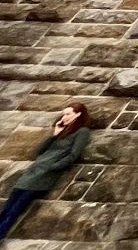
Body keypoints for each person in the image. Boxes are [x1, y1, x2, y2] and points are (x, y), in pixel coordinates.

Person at [0, 103, 92, 240]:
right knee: (7, 208)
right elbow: (40, 151)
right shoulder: (62, 131)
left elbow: (74, 155)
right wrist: (55, 134)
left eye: (68, 114)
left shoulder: (82, 132)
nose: (64, 117)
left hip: (44, 175)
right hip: (32, 172)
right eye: (63, 114)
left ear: (78, 114)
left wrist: (53, 167)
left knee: (15, 210)